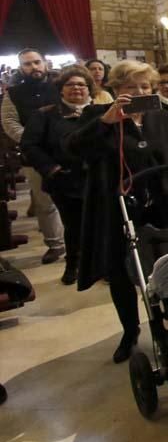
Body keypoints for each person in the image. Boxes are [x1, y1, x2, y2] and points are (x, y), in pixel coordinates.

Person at [64, 60, 168, 363]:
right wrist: (107, 122)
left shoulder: (162, 119)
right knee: (122, 273)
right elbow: (73, 149)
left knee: (163, 268)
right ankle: (130, 331)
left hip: (161, 209)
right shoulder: (97, 115)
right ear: (115, 89)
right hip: (117, 211)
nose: (138, 92)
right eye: (130, 87)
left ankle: (167, 325)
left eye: (144, 86)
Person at [20, 66, 95, 285]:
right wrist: (52, 169)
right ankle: (73, 265)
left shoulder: (100, 112)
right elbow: (29, 145)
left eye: (81, 85)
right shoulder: (46, 114)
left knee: (99, 225)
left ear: (89, 89)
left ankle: (100, 265)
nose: (76, 89)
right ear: (61, 90)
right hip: (66, 181)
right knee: (74, 226)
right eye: (70, 84)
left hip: (98, 180)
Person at [1, 48, 65, 264]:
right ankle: (55, 244)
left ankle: (78, 241)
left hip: (65, 150)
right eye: (28, 64)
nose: (34, 67)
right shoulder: (14, 93)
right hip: (34, 155)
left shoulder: (60, 86)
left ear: (45, 64)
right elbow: (9, 122)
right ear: (21, 68)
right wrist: (32, 141)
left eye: (37, 62)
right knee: (44, 202)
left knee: (74, 198)